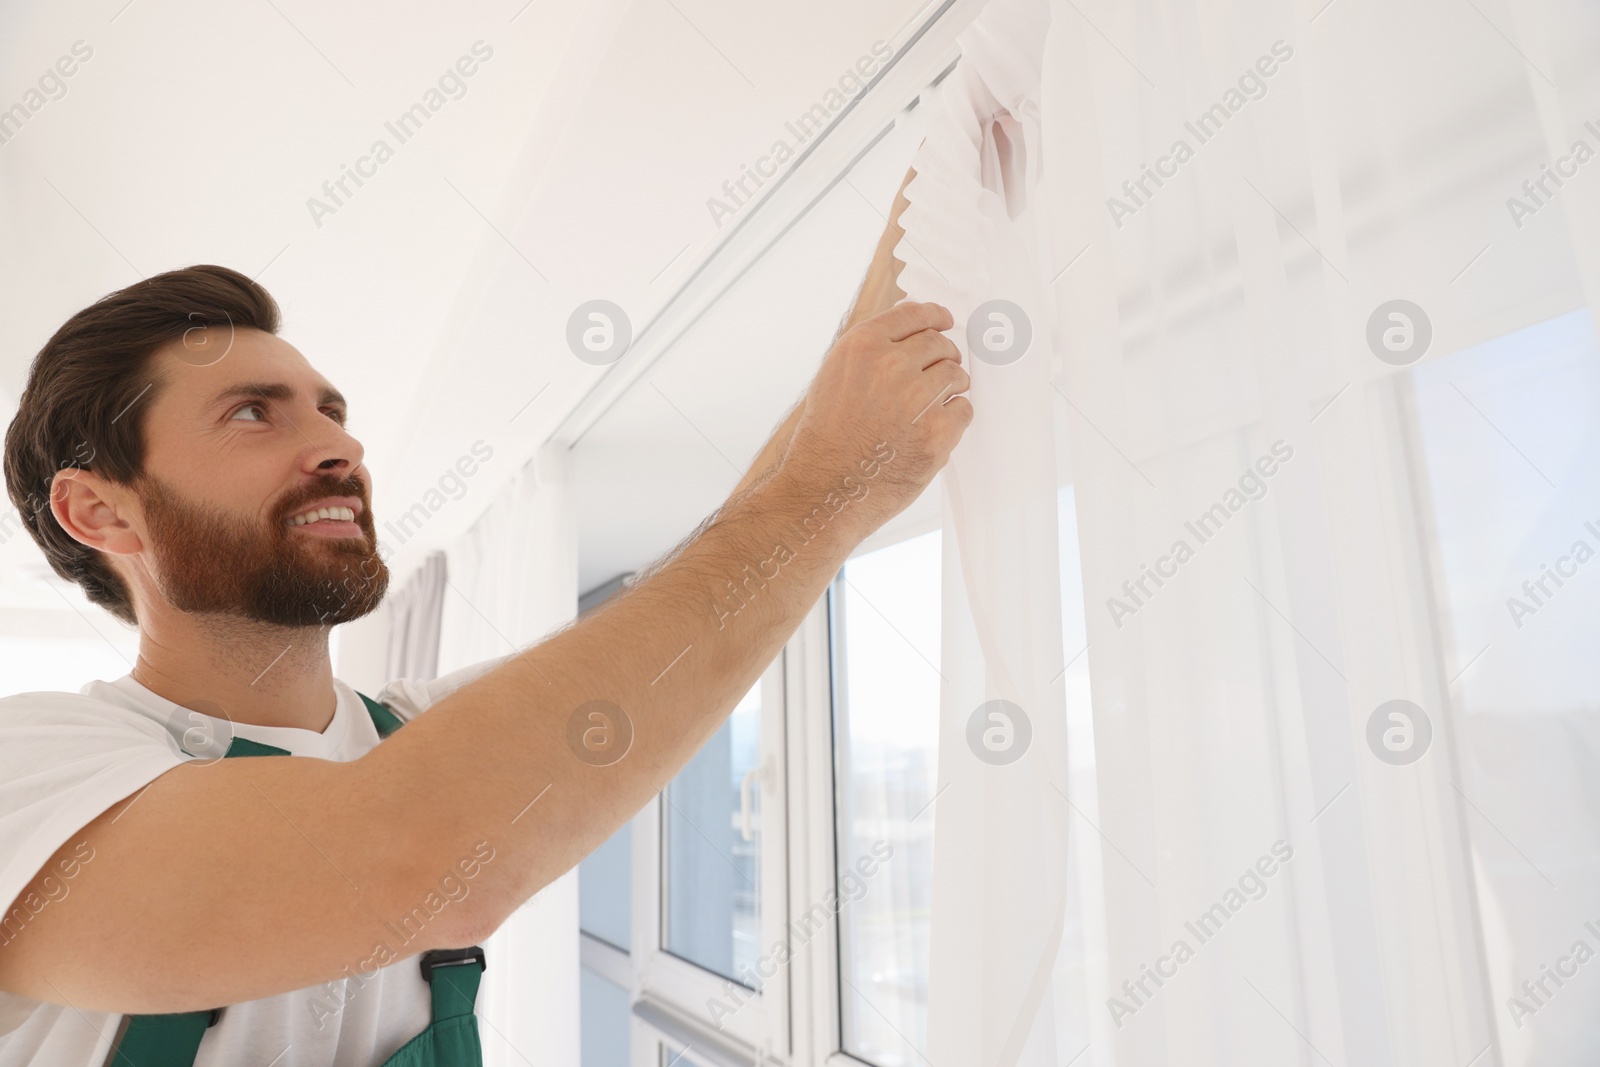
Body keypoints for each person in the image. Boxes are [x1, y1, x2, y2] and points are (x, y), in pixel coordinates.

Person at [0, 168, 971, 1065]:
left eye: (331, 409)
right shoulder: (37, 768)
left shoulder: (415, 737)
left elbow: (708, 591)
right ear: (100, 509)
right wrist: (826, 492)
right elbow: (413, 855)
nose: (340, 443)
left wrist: (930, 203)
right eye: (255, 413)